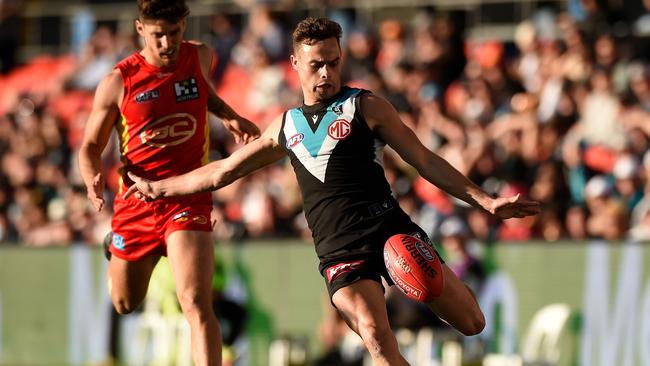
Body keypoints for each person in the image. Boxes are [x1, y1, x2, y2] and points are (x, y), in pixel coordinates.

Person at [124, 17, 540, 365]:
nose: (326, 73)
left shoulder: (366, 106)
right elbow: (221, 172)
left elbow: (425, 160)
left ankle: (443, 280)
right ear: (295, 63)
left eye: (333, 63)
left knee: (473, 323)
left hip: (390, 232)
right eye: (316, 65)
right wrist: (160, 188)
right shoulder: (286, 126)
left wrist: (486, 201)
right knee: (377, 337)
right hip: (340, 253)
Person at [77, 1, 260, 365]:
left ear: (184, 27)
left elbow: (198, 90)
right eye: (158, 34)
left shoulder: (200, 56)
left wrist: (229, 115)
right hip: (136, 202)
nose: (166, 42)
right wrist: (90, 177)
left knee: (195, 301)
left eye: (174, 32)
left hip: (187, 196)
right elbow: (89, 146)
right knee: (125, 304)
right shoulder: (118, 82)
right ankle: (114, 251)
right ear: (140, 29)